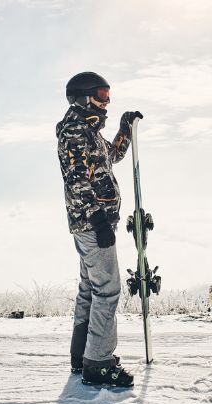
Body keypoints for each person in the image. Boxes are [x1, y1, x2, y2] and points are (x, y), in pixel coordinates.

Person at [56, 71, 142, 387]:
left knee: (89, 289)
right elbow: (77, 181)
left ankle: (83, 356)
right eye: (102, 94)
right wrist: (98, 220)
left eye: (108, 94)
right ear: (82, 97)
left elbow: (113, 155)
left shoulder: (89, 132)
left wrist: (124, 129)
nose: (106, 100)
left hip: (96, 222)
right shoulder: (76, 132)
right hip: (93, 224)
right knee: (107, 290)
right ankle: (99, 364)